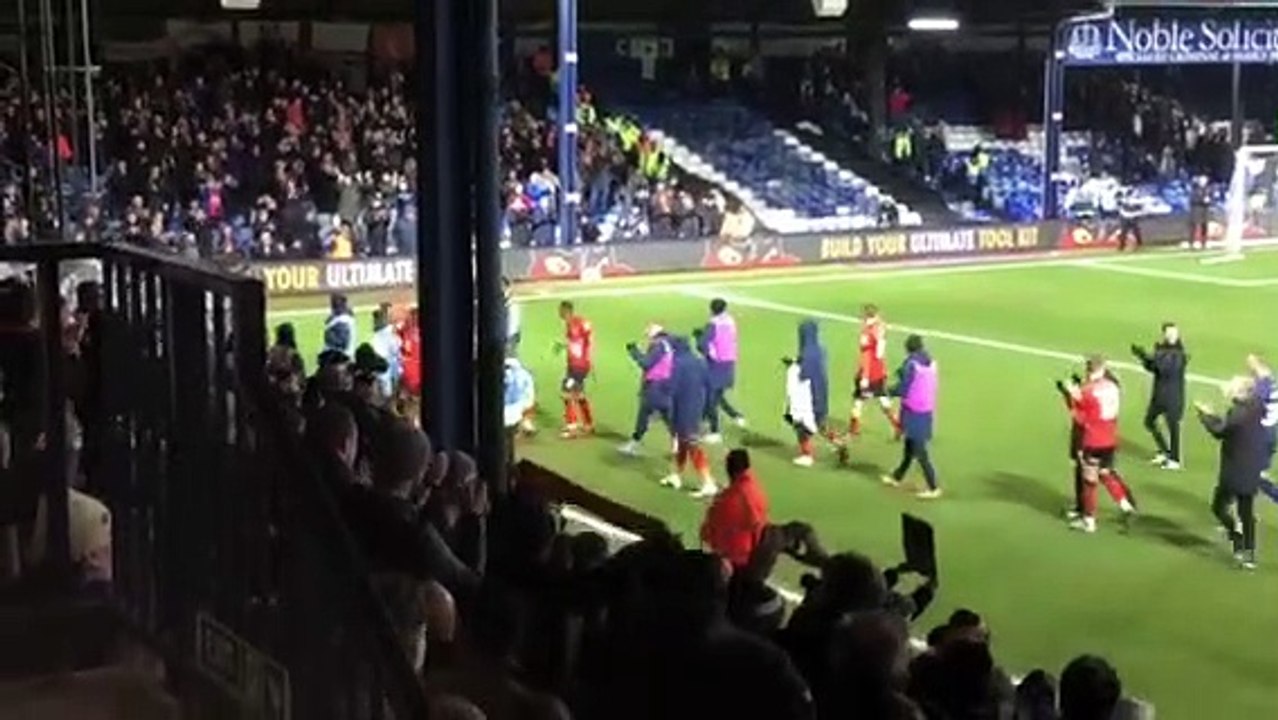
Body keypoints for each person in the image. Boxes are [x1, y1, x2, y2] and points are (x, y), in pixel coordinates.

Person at [1196, 376, 1267, 570]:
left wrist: (1205, 415)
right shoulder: (1256, 406)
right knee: (1246, 510)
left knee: (1219, 507)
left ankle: (1236, 535)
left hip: (1234, 468)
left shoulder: (1238, 413)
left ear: (1242, 392)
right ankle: (1249, 553)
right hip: (1251, 465)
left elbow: (1220, 430)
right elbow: (1231, 427)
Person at [1066, 356, 1136, 533]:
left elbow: (1080, 418)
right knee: (1105, 472)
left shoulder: (1088, 391)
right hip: (1110, 439)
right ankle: (1125, 505)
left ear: (1088, 370)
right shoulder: (1112, 386)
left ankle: (1089, 521)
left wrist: (1070, 397)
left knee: (1090, 480)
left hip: (1093, 440)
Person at [881, 335, 941, 499]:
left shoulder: (911, 364)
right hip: (926, 409)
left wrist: (887, 391)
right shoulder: (931, 362)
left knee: (920, 451)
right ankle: (897, 477)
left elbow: (903, 389)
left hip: (913, 410)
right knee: (909, 446)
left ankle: (933, 486)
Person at [660, 336, 717, 496]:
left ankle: (708, 482)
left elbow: (670, 388)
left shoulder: (676, 364)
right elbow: (709, 385)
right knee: (683, 443)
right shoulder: (700, 362)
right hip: (697, 407)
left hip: (682, 409)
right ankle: (676, 475)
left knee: (692, 444)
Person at [1131, 322, 1187, 470]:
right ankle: (1164, 451)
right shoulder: (1162, 349)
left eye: (1173, 333)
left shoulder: (1180, 353)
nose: (1171, 335)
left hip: (1173, 396)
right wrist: (1142, 357)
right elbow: (1153, 368)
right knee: (1149, 422)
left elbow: (1165, 369)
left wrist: (1149, 357)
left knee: (1173, 427)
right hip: (1159, 393)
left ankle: (1175, 459)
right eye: (1168, 333)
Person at [700, 448, 768, 569]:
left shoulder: (730, 499)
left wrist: (714, 505)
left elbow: (709, 532)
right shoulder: (754, 488)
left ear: (729, 469)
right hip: (754, 552)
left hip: (734, 557)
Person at [619, 324, 675, 456]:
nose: (649, 340)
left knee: (644, 416)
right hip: (667, 386)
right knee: (668, 418)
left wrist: (634, 352)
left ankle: (634, 444)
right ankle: (678, 446)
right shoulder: (668, 345)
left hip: (655, 388)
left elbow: (646, 363)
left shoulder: (659, 346)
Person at [697, 298, 746, 444]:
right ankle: (736, 416)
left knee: (711, 397)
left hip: (716, 364)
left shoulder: (713, 324)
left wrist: (707, 351)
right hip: (729, 361)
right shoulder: (730, 321)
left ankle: (715, 431)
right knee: (716, 394)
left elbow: (703, 345)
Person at [850, 304, 901, 439]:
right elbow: (880, 353)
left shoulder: (867, 332)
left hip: (868, 372)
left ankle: (854, 428)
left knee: (859, 400)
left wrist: (864, 376)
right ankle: (897, 424)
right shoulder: (881, 326)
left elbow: (867, 355)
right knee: (883, 398)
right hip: (879, 371)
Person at [790, 321, 829, 467]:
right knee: (819, 423)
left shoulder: (806, 352)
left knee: (801, 424)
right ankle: (839, 444)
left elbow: (804, 374)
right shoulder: (821, 349)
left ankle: (807, 455)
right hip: (822, 390)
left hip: (809, 393)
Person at [557, 301, 595, 438]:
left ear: (566, 311)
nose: (559, 314)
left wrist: (586, 358)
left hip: (578, 366)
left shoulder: (574, 324)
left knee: (566, 391)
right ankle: (588, 423)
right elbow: (585, 339)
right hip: (578, 365)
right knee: (579, 394)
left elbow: (581, 341)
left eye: (561, 311)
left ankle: (572, 426)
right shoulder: (578, 322)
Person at [1249, 354, 1278, 503]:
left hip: (1263, 435)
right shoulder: (1269, 382)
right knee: (1257, 474)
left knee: (1250, 475)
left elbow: (1254, 405)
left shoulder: (1265, 384)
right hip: (1271, 432)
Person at [503, 356, 536, 467]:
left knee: (503, 440)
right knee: (509, 439)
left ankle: (505, 462)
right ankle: (510, 461)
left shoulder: (505, 375)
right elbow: (530, 394)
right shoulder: (526, 375)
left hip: (506, 412)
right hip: (517, 412)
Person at [371, 306, 403, 400]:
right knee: (390, 384)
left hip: (385, 360)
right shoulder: (386, 332)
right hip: (387, 360)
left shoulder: (381, 332)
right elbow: (396, 346)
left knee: (387, 385)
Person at [323, 293, 357, 361]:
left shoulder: (343, 320)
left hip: (339, 359)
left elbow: (341, 344)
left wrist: (328, 335)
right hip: (344, 357)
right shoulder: (345, 317)